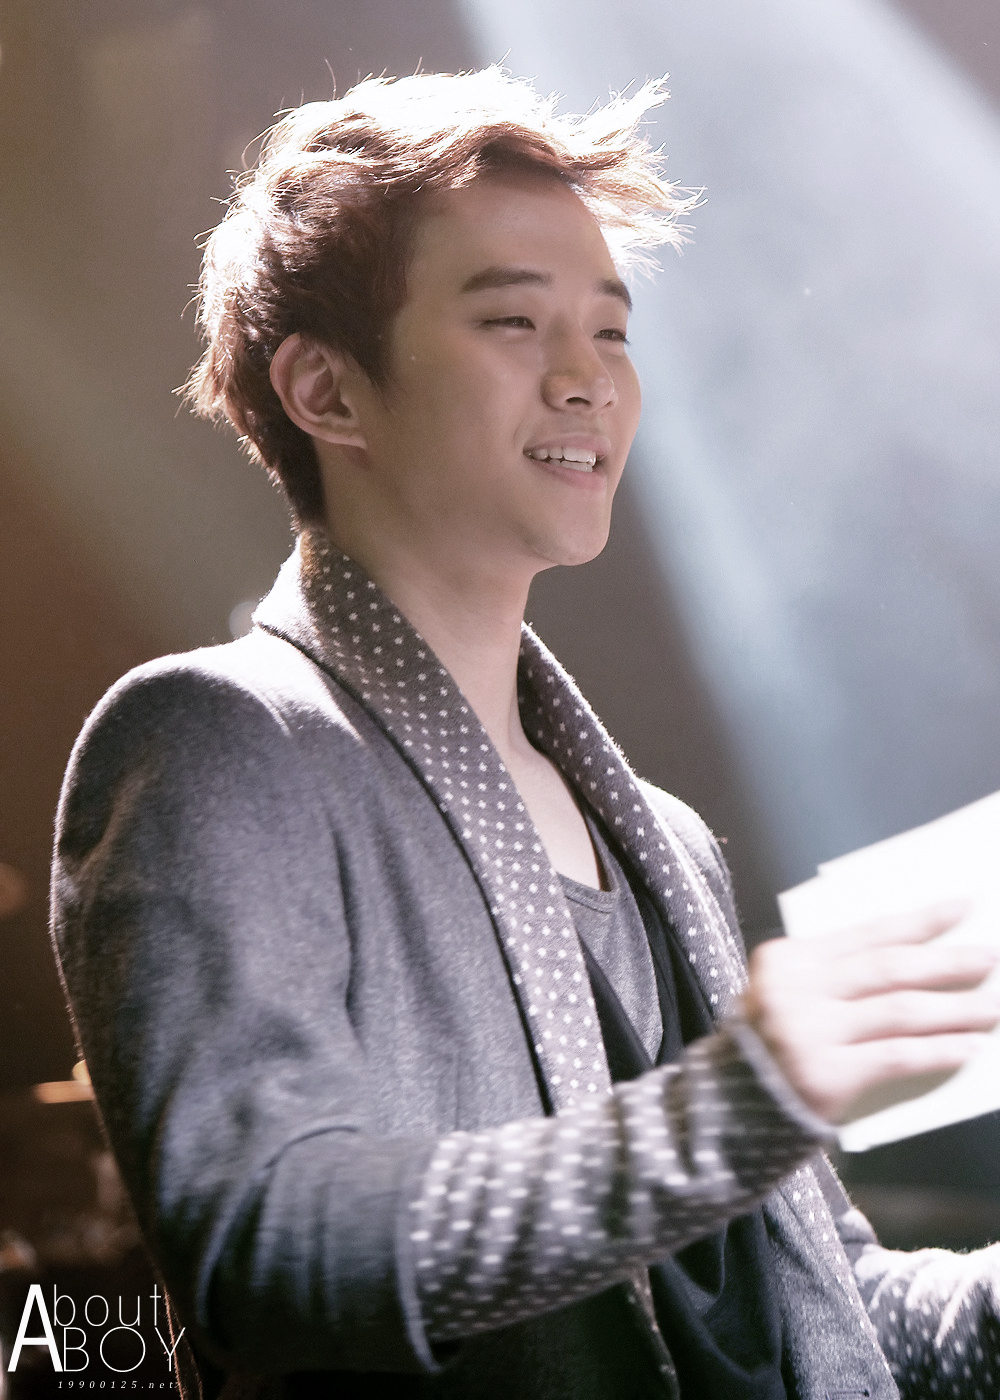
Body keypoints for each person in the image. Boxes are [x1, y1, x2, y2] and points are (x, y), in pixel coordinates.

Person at [51, 68, 1000, 1399]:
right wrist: (732, 1109)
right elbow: (266, 1249)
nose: (588, 378)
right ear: (326, 389)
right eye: (513, 320)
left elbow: (824, 1316)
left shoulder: (663, 839)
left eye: (612, 330)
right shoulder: (218, 743)